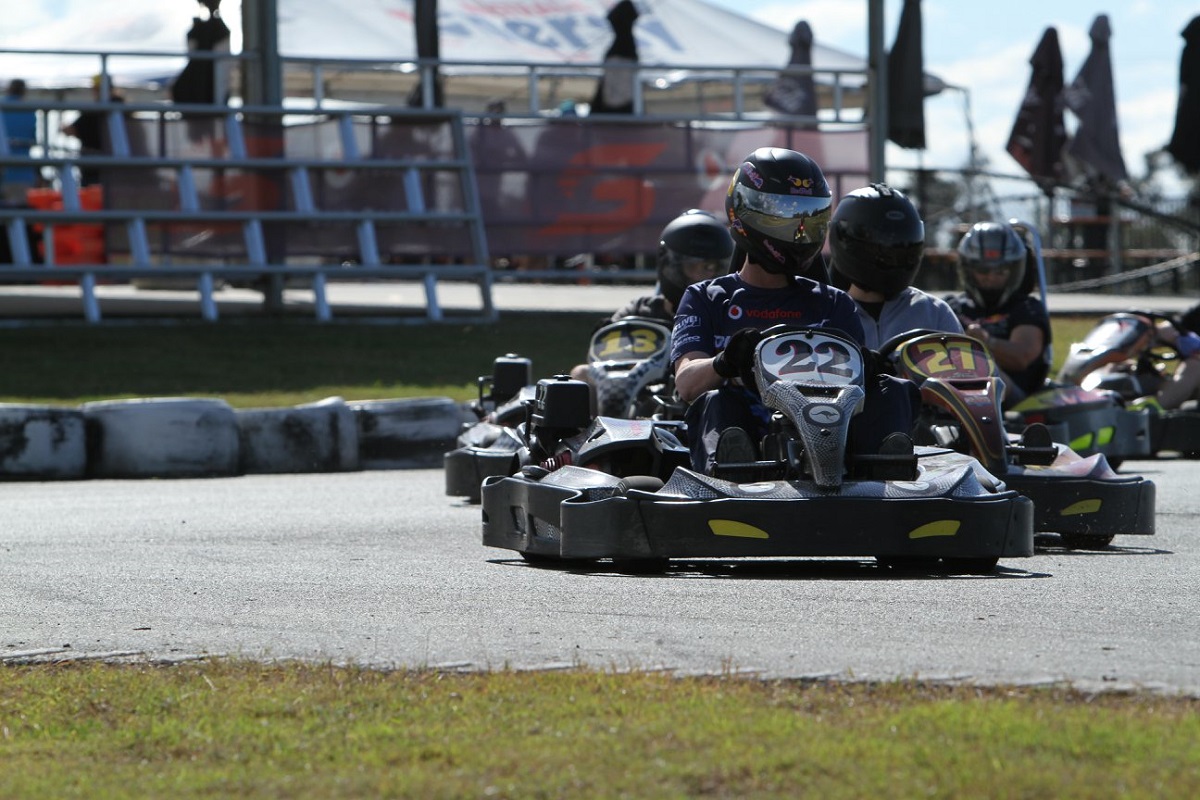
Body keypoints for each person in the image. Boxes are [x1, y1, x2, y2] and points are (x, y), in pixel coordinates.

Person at [671, 147, 919, 474]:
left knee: (894, 389)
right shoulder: (706, 298)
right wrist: (725, 362)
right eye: (786, 215)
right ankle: (734, 465)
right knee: (717, 400)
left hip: (830, 429)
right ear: (745, 211)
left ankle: (888, 472)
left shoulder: (833, 303)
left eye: (810, 217)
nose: (801, 233)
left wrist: (870, 367)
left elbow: (858, 390)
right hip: (752, 441)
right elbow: (686, 383)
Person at [569, 208, 734, 383]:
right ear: (672, 266)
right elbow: (601, 361)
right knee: (581, 374)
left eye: (714, 269)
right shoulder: (639, 311)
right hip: (638, 400)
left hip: (699, 399)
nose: (707, 278)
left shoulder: (729, 316)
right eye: (696, 267)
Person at [828, 183, 962, 350]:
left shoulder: (934, 313)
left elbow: (970, 374)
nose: (894, 257)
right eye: (883, 249)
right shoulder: (825, 315)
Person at [946, 221, 1052, 407]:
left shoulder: (1027, 309)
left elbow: (1021, 358)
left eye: (1000, 270)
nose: (991, 277)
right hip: (951, 392)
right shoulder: (952, 307)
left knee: (983, 373)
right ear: (968, 269)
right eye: (983, 270)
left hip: (1015, 401)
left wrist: (984, 342)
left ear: (1014, 270)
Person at [62, 75, 125, 186]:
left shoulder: (92, 111)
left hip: (93, 168)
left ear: (96, 89)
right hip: (120, 167)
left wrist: (62, 126)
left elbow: (72, 130)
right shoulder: (125, 109)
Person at [2, 78, 38, 206]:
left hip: (5, 170)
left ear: (8, 89)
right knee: (19, 215)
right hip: (23, 171)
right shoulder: (29, 110)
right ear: (24, 91)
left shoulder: (2, 106)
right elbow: (33, 139)